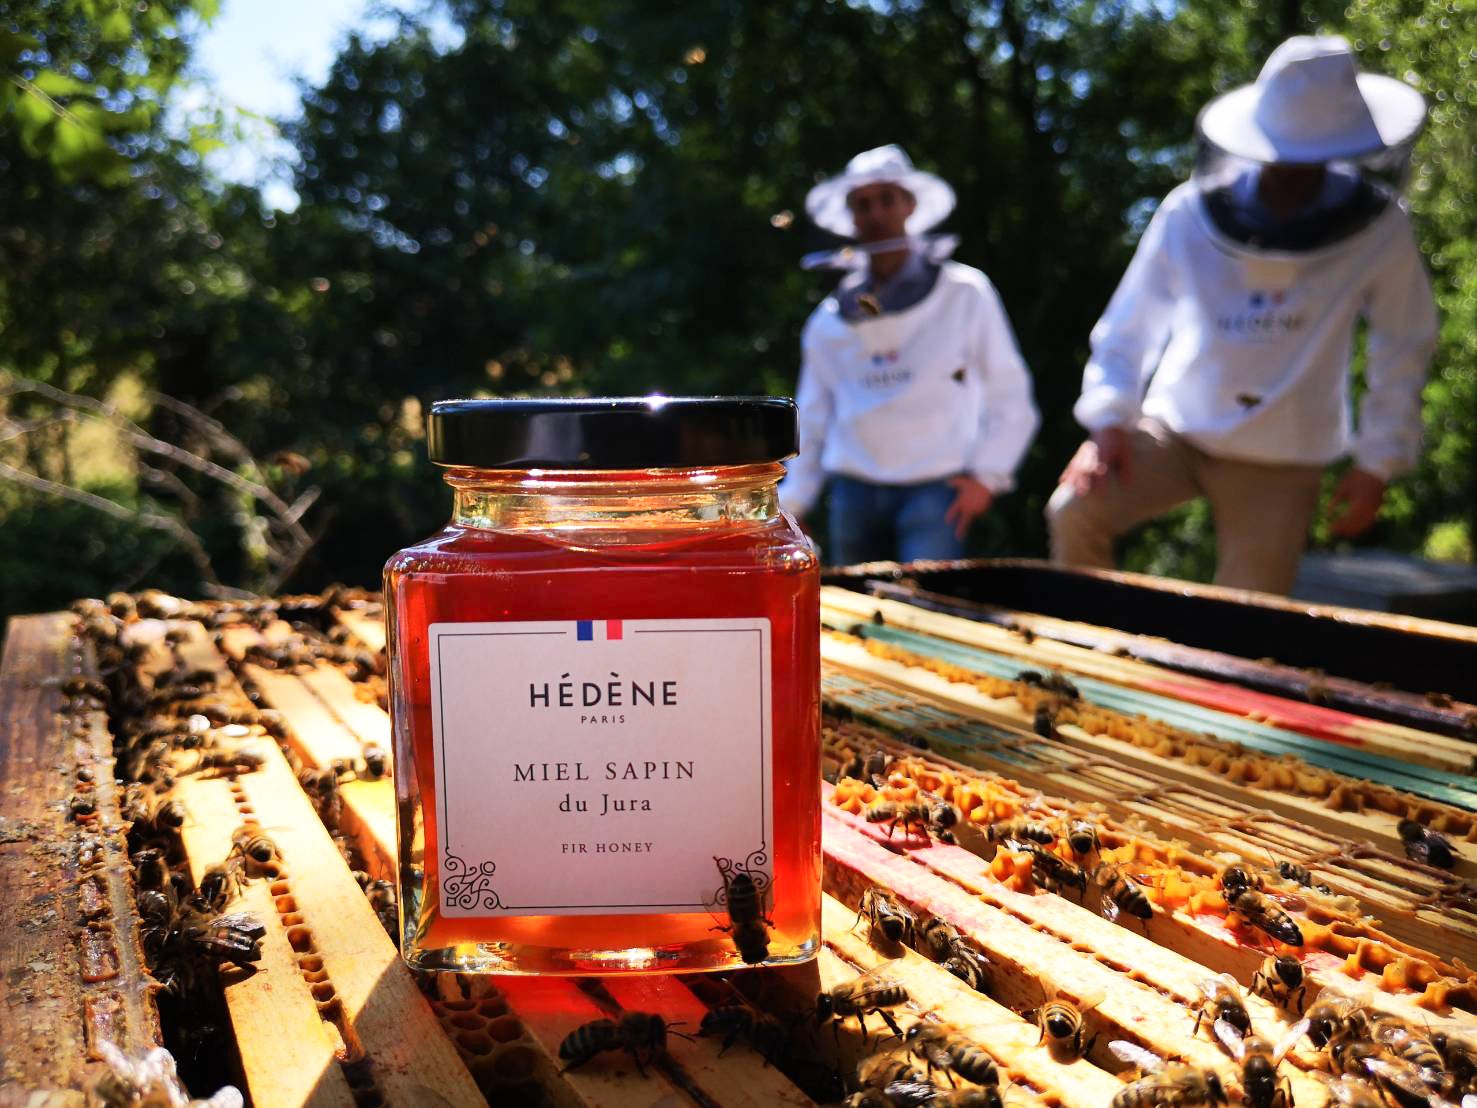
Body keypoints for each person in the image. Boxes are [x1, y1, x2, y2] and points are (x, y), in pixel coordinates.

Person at [1048, 36, 1438, 596]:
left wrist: (1377, 462)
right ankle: (1081, 641)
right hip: (1176, 429)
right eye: (1285, 156)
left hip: (1284, 455)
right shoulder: (1187, 212)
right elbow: (1130, 323)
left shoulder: (1382, 229)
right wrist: (1109, 422)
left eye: (1311, 158)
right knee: (1075, 509)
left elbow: (1403, 342)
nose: (1294, 172)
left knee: (1248, 616)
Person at [778, 144, 1039, 565]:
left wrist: (988, 476)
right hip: (853, 494)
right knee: (856, 603)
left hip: (936, 493)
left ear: (910, 205)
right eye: (863, 204)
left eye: (887, 199)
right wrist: (794, 505)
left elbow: (1008, 389)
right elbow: (811, 417)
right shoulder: (827, 320)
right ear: (850, 217)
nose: (876, 214)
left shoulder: (965, 294)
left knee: (923, 600)